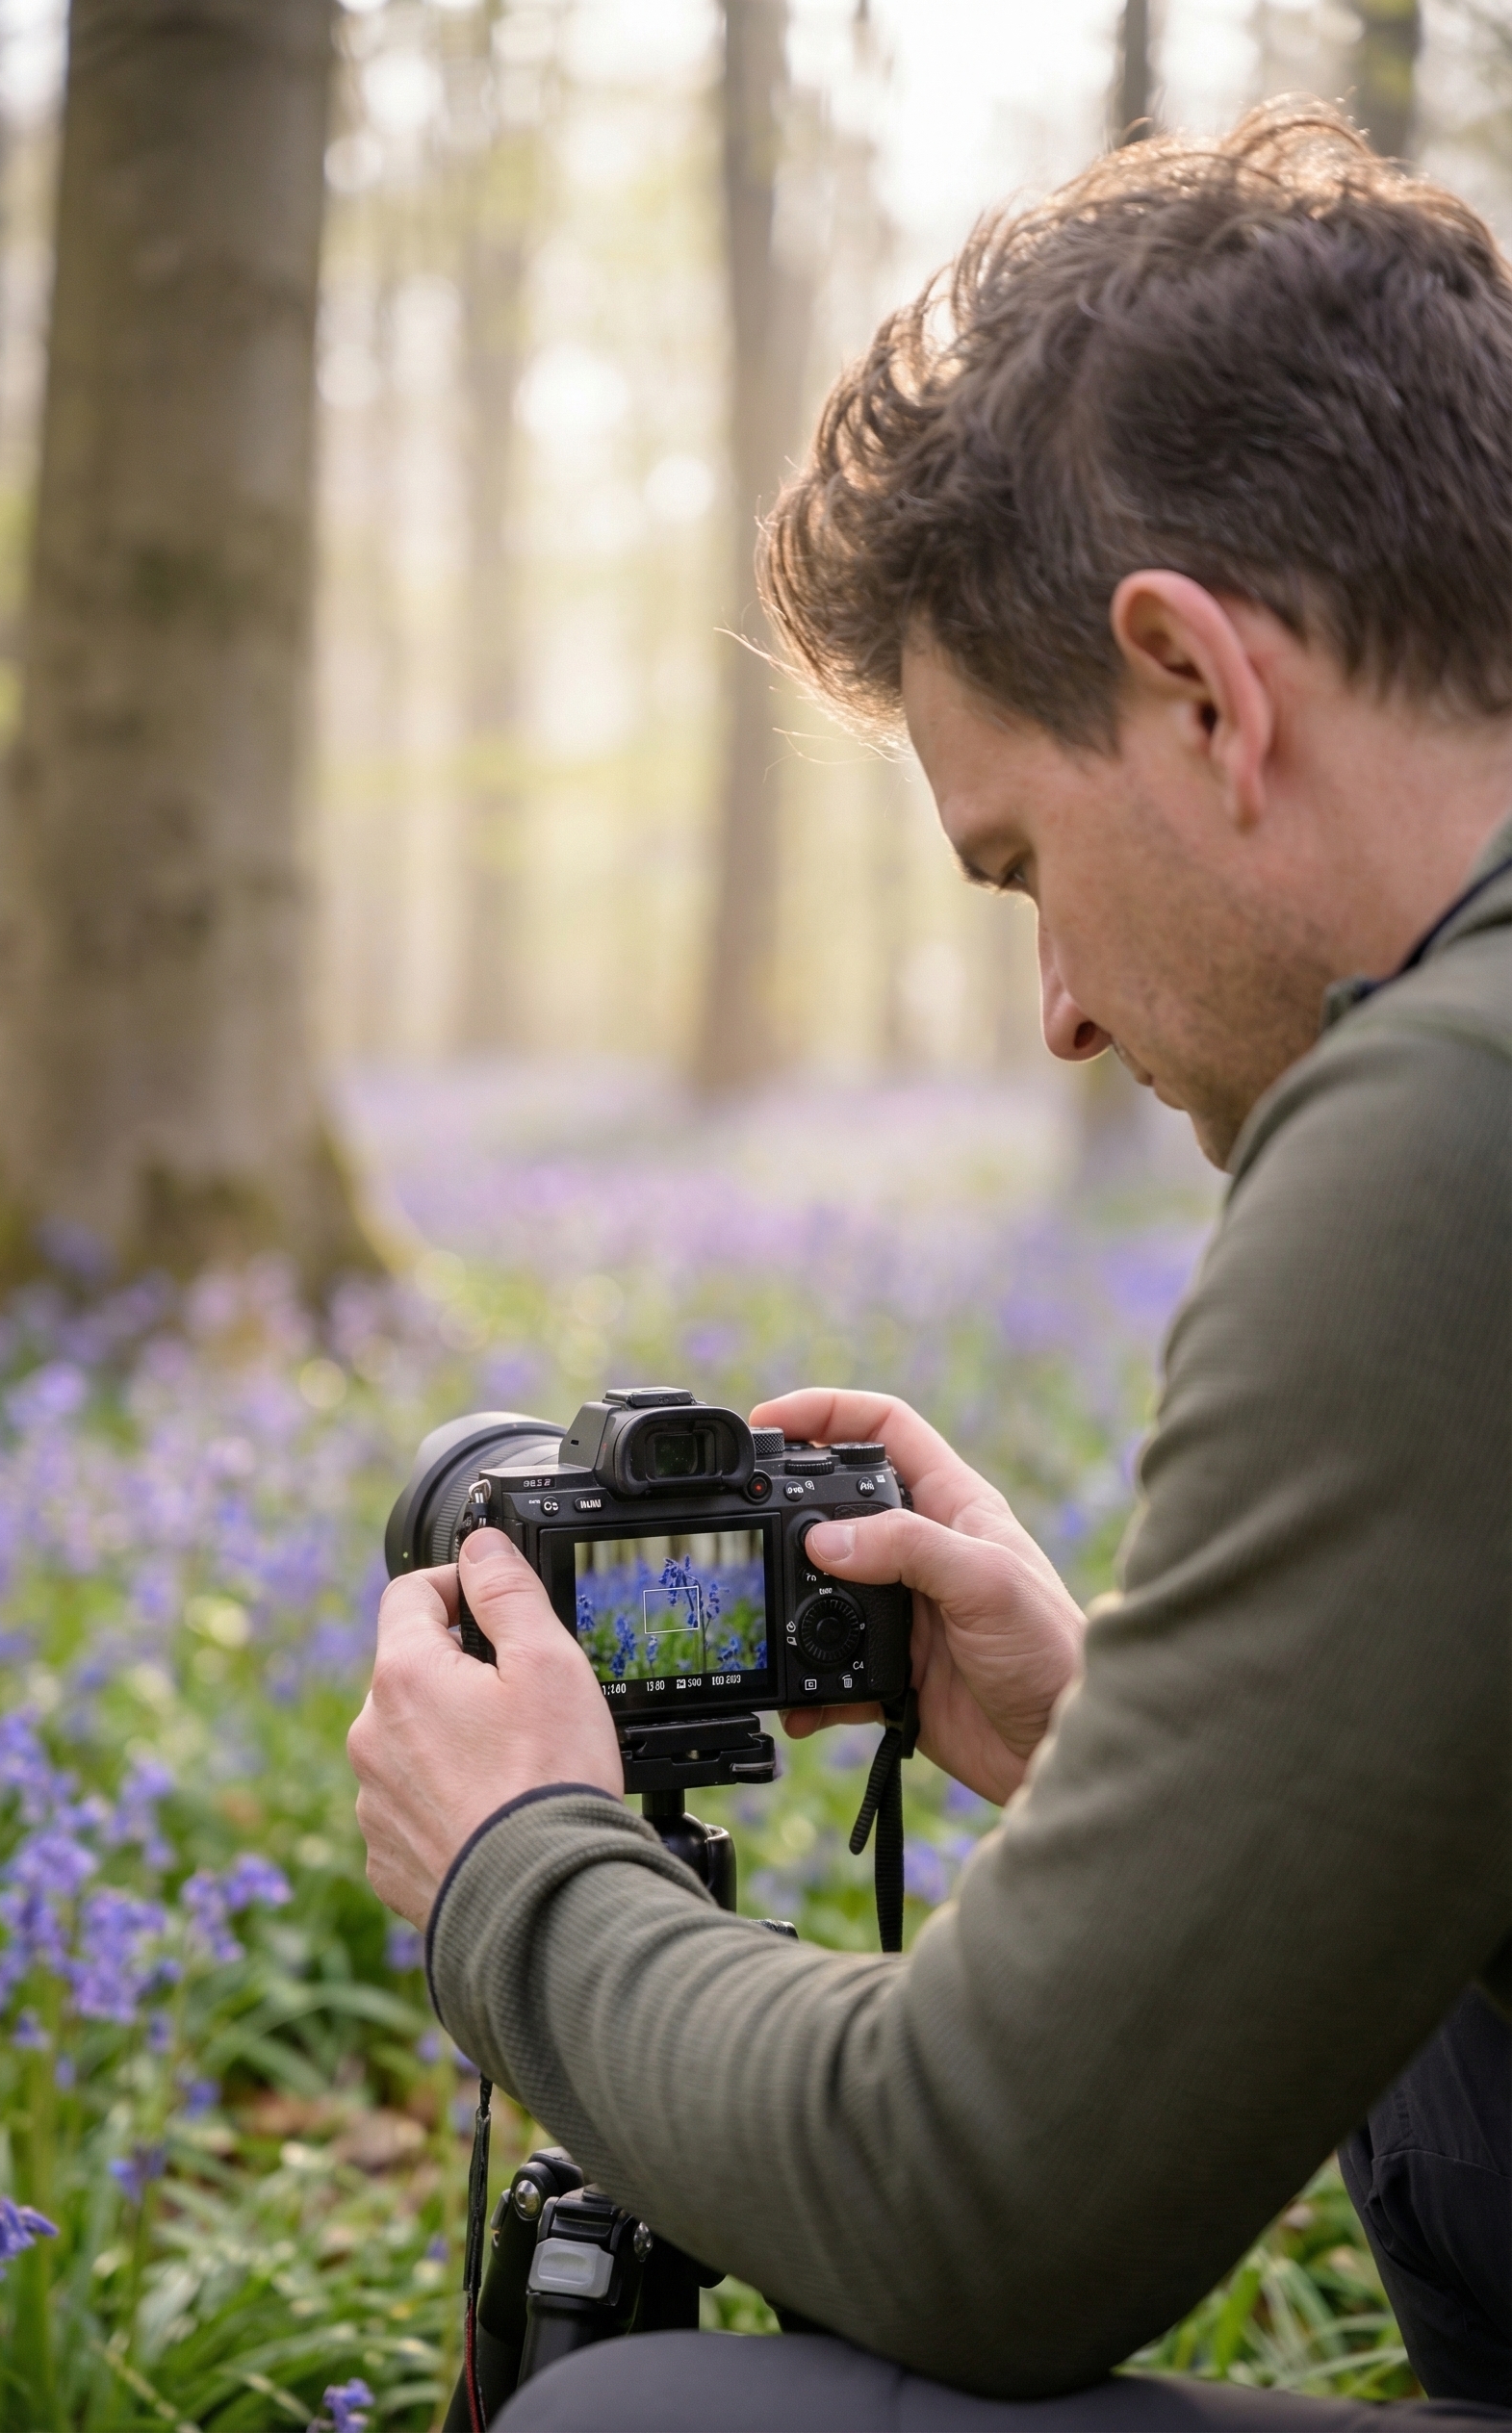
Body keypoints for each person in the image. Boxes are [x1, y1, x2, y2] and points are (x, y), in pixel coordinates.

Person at [347, 103, 1512, 2429]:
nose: (1060, 1009)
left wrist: (519, 1876)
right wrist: (1132, 1742)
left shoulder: (1441, 1126)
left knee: (642, 2421)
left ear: (1198, 685)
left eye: (1016, 871)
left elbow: (979, 2208)